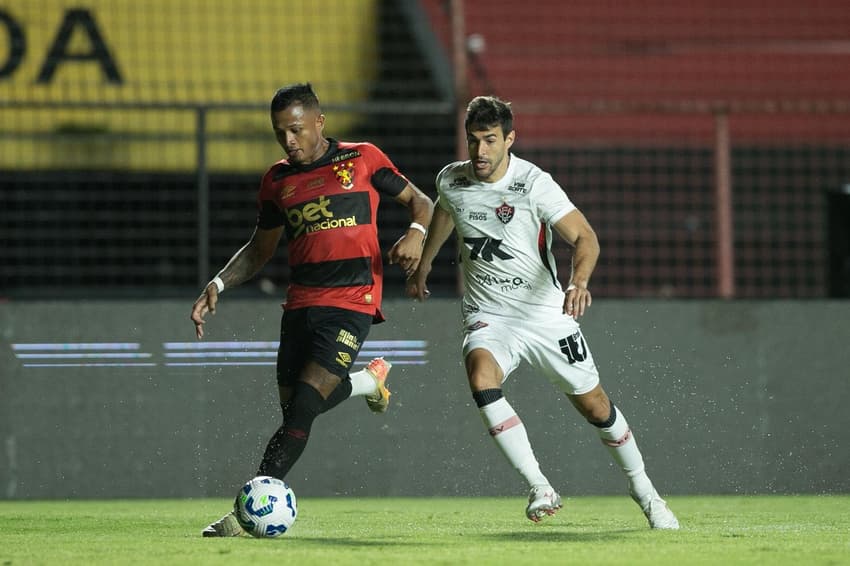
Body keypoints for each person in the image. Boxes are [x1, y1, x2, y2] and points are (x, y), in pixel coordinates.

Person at [406, 95, 679, 529]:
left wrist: (579, 282)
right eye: (473, 141)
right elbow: (447, 209)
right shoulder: (451, 180)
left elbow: (585, 237)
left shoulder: (534, 183)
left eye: (490, 141)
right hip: (489, 315)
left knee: (595, 407)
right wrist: (424, 265)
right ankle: (539, 486)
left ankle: (646, 493)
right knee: (480, 375)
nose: (480, 152)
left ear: (510, 139)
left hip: (543, 315)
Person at [191, 82, 434, 537]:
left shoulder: (362, 158)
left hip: (352, 303)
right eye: (280, 132)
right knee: (295, 412)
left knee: (303, 407)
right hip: (300, 305)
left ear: (319, 122)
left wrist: (418, 231)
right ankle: (366, 381)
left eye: (297, 130)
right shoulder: (277, 180)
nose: (289, 141)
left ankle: (246, 515)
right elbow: (259, 249)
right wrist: (219, 281)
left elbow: (421, 200)